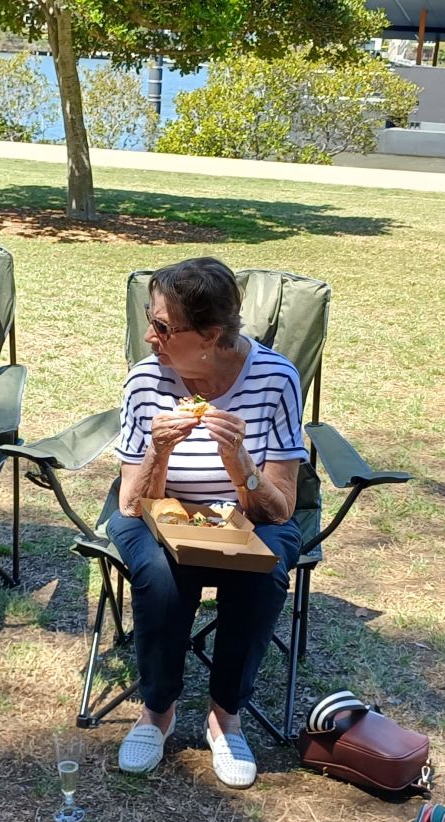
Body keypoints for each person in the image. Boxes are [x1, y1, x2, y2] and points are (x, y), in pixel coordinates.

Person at [107, 257, 306, 788]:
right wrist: (158, 452)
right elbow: (130, 504)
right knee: (163, 576)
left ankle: (225, 717)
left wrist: (240, 462)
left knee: (259, 572)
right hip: (155, 506)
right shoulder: (146, 378)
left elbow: (281, 508)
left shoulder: (275, 378)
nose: (150, 337)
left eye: (165, 327)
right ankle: (157, 710)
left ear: (212, 334)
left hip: (247, 512)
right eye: (150, 320)